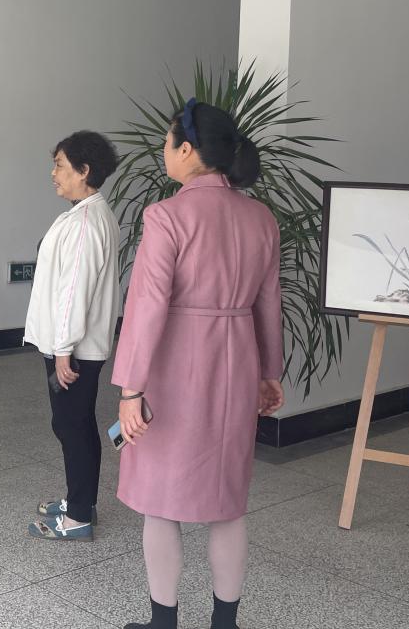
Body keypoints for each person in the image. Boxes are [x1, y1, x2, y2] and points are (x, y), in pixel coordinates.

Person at [114, 99, 284, 629]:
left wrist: (130, 389)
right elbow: (269, 303)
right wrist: (269, 372)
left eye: (168, 142)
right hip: (237, 363)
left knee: (160, 501)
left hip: (174, 368)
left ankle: (163, 621)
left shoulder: (167, 216)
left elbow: (146, 308)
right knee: (227, 504)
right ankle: (224, 623)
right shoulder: (260, 218)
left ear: (187, 150)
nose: (164, 150)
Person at [23, 131, 120, 542]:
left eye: (61, 166)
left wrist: (63, 350)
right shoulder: (87, 214)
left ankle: (78, 516)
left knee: (71, 425)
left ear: (84, 171)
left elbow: (73, 291)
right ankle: (81, 501)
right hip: (75, 344)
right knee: (75, 423)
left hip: (74, 348)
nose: (53, 173)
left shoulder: (84, 223)